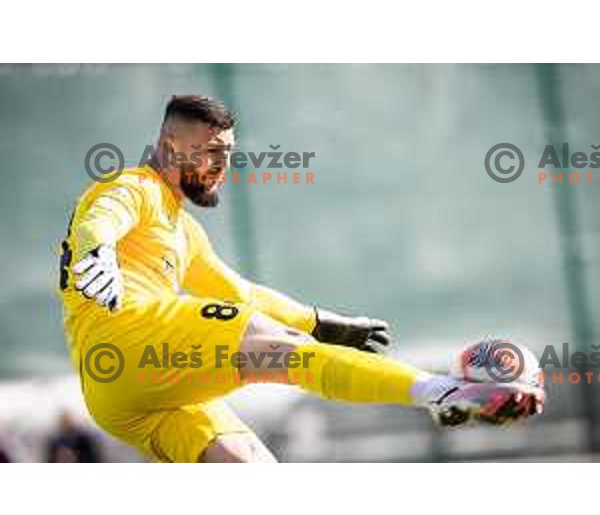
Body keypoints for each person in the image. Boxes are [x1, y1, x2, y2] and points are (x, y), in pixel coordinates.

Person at [59, 95, 544, 463]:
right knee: (280, 347)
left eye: (228, 154)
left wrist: (319, 321)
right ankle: (440, 392)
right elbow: (99, 218)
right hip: (129, 341)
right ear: (169, 147)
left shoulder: (182, 230)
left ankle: (438, 394)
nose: (223, 167)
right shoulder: (135, 187)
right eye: (211, 152)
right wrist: (95, 249)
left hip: (125, 396)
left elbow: (239, 291)